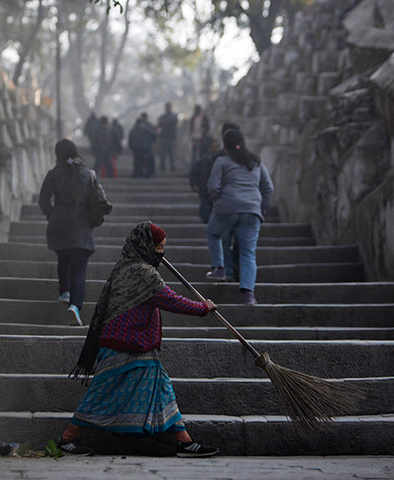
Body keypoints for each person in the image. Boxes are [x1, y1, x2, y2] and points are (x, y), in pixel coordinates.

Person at [58, 222, 220, 458]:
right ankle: (68, 438)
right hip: (121, 342)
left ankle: (184, 441)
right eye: (159, 247)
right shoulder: (141, 272)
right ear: (146, 246)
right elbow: (169, 299)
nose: (162, 253)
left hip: (137, 343)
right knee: (102, 390)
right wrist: (202, 307)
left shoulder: (129, 267)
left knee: (161, 386)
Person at [39, 139, 108, 326]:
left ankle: (64, 292)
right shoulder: (89, 174)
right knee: (78, 268)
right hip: (81, 226)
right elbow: (100, 201)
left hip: (58, 224)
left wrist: (51, 213)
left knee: (63, 258)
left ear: (57, 155)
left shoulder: (53, 174)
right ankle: (75, 306)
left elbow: (43, 199)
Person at [205, 129, 274, 305]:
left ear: (225, 145)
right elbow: (268, 188)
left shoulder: (221, 161)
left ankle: (220, 268)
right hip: (252, 211)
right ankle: (249, 294)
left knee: (214, 234)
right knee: (248, 253)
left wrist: (219, 200)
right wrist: (261, 207)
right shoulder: (256, 162)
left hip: (226, 209)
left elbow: (213, 186)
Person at [128, 113, 156, 178]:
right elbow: (132, 137)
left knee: (147, 161)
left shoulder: (148, 126)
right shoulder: (136, 127)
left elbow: (154, 134)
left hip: (145, 146)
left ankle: (148, 173)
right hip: (140, 147)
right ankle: (139, 173)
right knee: (139, 162)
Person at [157, 102, 178, 171]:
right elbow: (159, 126)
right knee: (163, 153)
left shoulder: (174, 116)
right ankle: (162, 166)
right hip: (163, 137)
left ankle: (172, 166)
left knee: (171, 153)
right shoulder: (162, 117)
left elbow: (174, 123)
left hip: (171, 137)